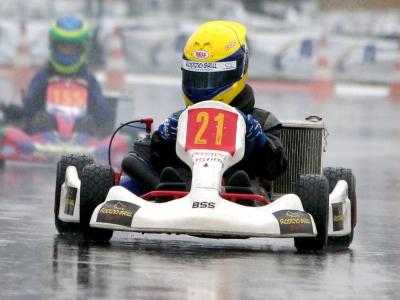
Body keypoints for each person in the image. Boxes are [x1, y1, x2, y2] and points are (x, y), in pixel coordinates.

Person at [122, 20, 287, 197]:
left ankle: (238, 190)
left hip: (243, 198)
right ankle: (169, 191)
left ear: (239, 69)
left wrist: (260, 143)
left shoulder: (262, 122)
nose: (203, 88)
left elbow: (275, 169)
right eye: (196, 78)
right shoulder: (180, 121)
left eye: (212, 79)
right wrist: (162, 139)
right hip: (182, 193)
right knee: (129, 174)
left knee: (244, 180)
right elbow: (154, 161)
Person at [22, 16, 111, 136]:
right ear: (54, 46)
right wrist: (43, 89)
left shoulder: (89, 80)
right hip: (44, 136)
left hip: (82, 138)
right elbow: (28, 111)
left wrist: (88, 92)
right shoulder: (43, 76)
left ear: (82, 49)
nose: (67, 52)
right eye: (63, 47)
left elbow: (103, 117)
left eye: (72, 48)